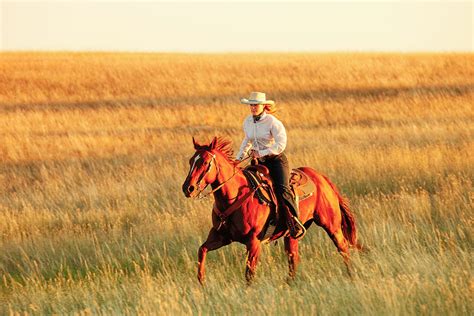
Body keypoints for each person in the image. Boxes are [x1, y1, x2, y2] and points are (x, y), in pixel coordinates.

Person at [236, 92, 306, 239]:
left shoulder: (273, 122)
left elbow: (281, 145)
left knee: (282, 189)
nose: (253, 107)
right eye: (251, 105)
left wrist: (261, 153)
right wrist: (238, 158)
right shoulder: (248, 121)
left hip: (275, 161)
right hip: (258, 162)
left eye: (256, 105)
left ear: (263, 106)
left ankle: (295, 222)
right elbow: (247, 141)